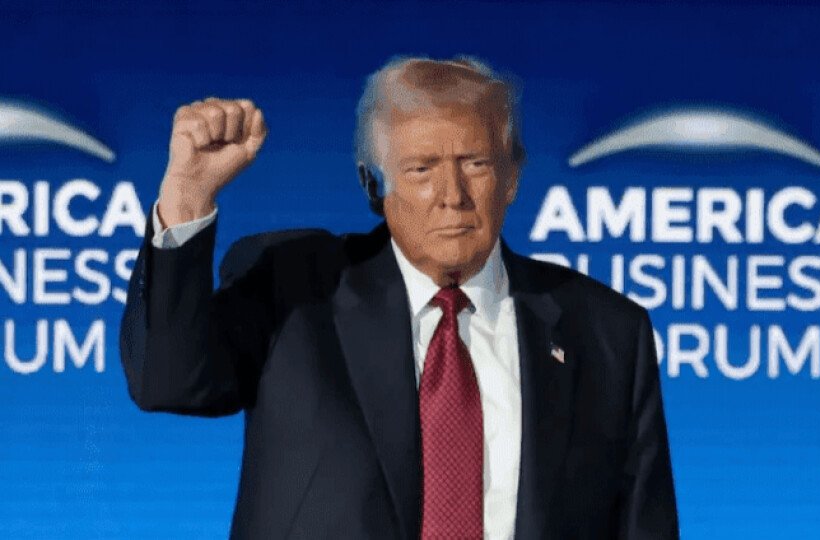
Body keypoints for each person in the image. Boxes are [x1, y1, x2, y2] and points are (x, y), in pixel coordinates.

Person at [120, 56, 679, 539]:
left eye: (476, 164)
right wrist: (187, 193)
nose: (453, 196)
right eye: (421, 169)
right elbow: (167, 380)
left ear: (512, 176)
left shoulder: (607, 333)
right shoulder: (295, 288)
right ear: (373, 185)